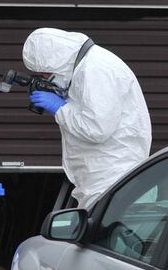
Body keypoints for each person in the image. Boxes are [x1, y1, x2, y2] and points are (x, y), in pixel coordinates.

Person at [23, 27, 152, 209]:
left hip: (112, 176)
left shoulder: (96, 70)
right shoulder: (86, 67)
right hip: (102, 176)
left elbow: (97, 129)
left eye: (45, 74)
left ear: (57, 62)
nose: (46, 78)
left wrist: (60, 108)